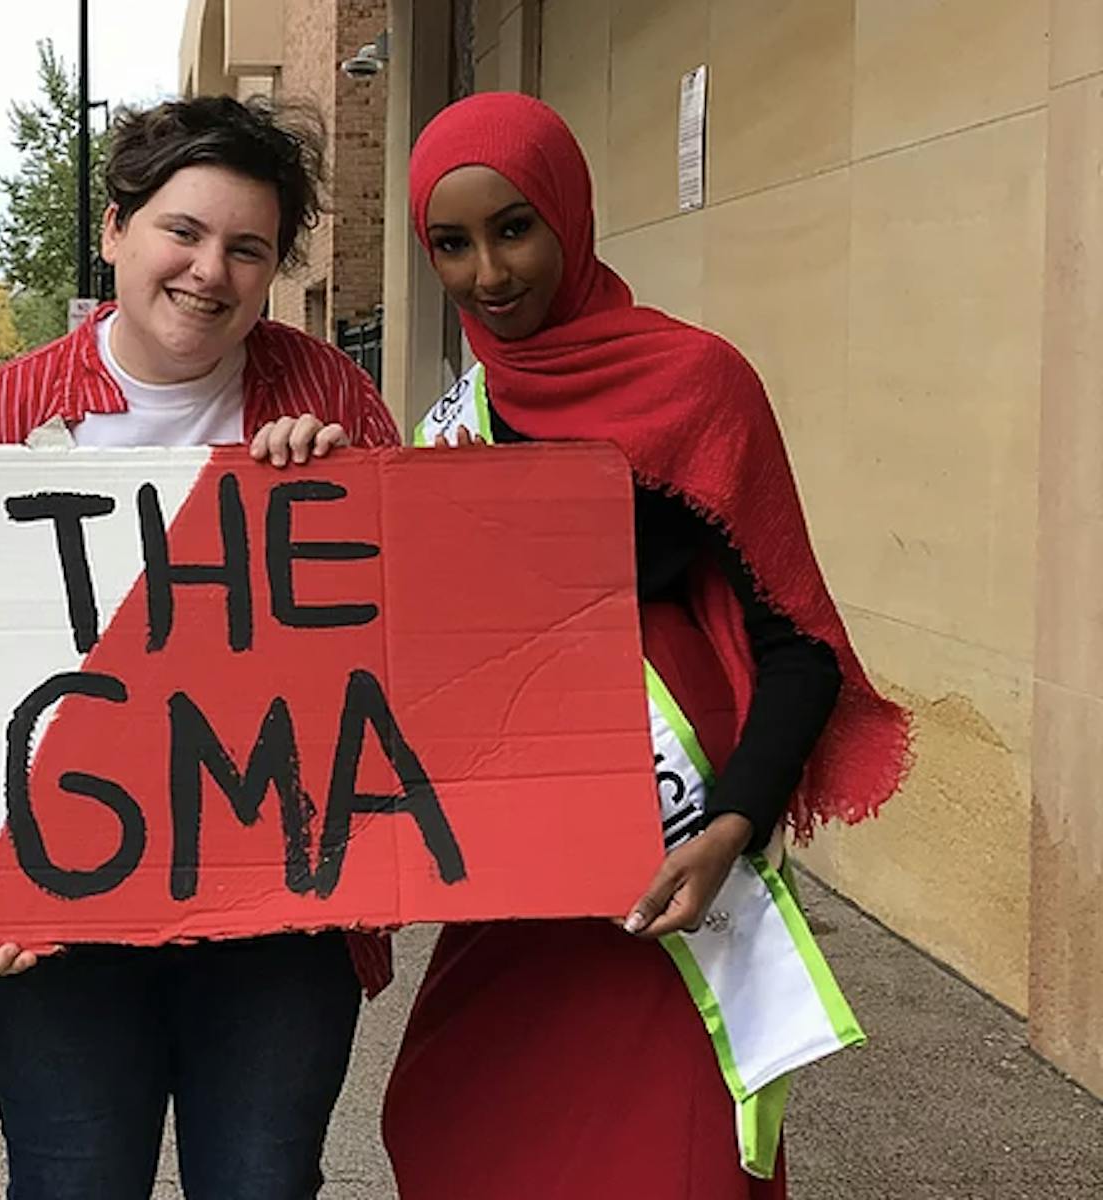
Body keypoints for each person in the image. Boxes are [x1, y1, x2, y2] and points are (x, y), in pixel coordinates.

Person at [362, 92, 912, 1199]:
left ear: (568, 213)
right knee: (458, 1120)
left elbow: (794, 644)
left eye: (512, 228)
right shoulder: (454, 426)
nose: (487, 274)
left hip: (672, 860)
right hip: (523, 879)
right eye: (451, 244)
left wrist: (728, 828)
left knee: (667, 1162)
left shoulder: (697, 383)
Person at [0, 95, 400, 1200]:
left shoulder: (328, 391)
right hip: (62, 908)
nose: (209, 271)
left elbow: (419, 632)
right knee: (70, 1182)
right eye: (182, 233)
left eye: (247, 249)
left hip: (279, 906)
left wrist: (350, 496)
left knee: (260, 1181)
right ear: (114, 231)